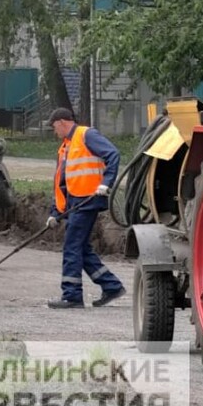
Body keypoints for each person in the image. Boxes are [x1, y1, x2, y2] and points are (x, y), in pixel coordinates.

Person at [44, 107, 126, 309]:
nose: (55, 132)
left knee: (71, 247)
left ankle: (71, 296)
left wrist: (106, 183)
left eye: (55, 128)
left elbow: (113, 154)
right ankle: (111, 286)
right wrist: (56, 213)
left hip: (87, 200)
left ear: (62, 122)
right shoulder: (65, 147)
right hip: (76, 202)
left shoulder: (86, 135)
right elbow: (61, 183)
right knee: (81, 248)